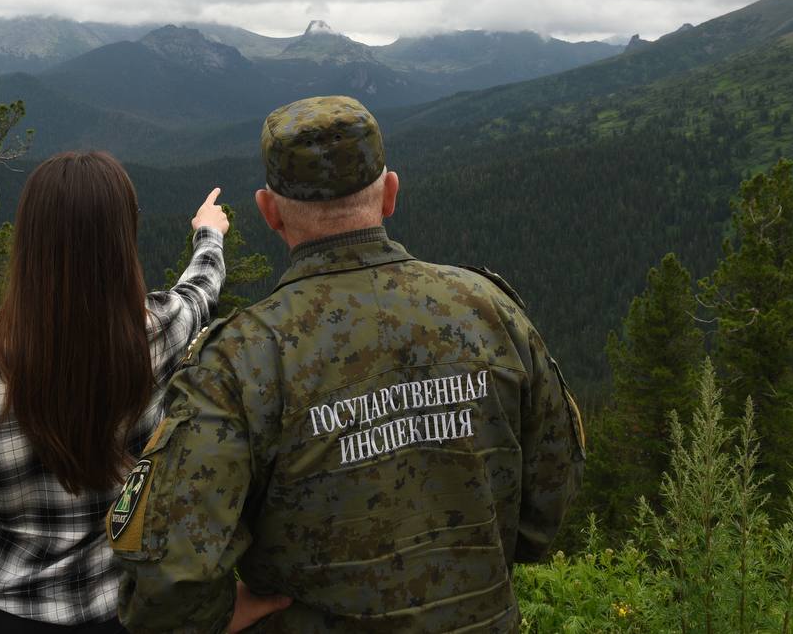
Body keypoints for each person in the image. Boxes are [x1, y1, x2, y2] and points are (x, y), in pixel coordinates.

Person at [110, 96, 585, 633]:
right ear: (390, 195)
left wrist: (221, 612)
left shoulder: (238, 360)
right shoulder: (491, 311)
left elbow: (163, 588)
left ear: (269, 212)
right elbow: (545, 510)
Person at [0, 151, 230, 634]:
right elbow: (200, 292)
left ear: (27, 240)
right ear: (123, 242)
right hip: (129, 609)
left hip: (12, 616)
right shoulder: (157, 334)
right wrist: (208, 232)